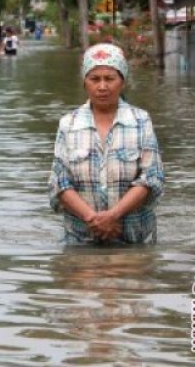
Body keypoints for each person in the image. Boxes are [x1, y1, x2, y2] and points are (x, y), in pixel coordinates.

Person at [48, 43, 164, 245]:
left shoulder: (141, 121)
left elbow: (151, 178)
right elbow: (60, 182)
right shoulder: (68, 124)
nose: (102, 86)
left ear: (123, 82)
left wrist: (113, 215)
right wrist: (93, 219)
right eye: (95, 79)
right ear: (85, 82)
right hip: (80, 240)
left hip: (134, 240)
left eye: (110, 79)